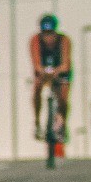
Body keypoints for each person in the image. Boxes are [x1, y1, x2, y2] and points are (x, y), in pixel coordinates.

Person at [30, 14, 73, 143]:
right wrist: (42, 71)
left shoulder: (64, 40)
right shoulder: (35, 40)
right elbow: (36, 62)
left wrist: (57, 71)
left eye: (51, 34)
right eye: (45, 34)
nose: (48, 38)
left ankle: (62, 123)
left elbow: (66, 63)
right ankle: (37, 122)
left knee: (63, 97)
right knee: (37, 88)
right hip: (43, 71)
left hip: (61, 70)